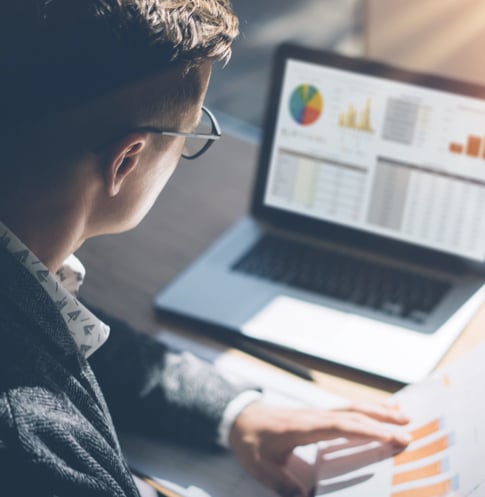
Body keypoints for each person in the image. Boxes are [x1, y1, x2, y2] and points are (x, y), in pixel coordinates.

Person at [0, 2, 411, 496]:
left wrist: (236, 413)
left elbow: (63, 333)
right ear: (126, 160)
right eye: (190, 132)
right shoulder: (35, 443)